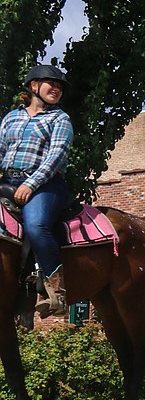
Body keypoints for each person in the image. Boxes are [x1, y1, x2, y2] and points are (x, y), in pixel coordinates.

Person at [0, 65, 74, 316]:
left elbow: (56, 156)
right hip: (8, 181)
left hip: (46, 184)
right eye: (51, 83)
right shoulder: (11, 118)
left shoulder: (59, 119)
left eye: (60, 86)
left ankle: (56, 292)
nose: (57, 89)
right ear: (34, 86)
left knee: (36, 225)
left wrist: (30, 184)